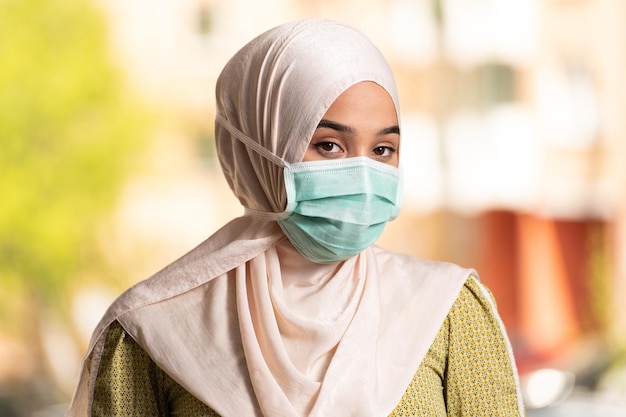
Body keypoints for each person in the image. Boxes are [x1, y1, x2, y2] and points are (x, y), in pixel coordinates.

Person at [67, 19, 525, 417]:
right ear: (257, 147)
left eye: (383, 149)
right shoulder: (151, 331)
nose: (363, 173)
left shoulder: (447, 311)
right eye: (329, 145)